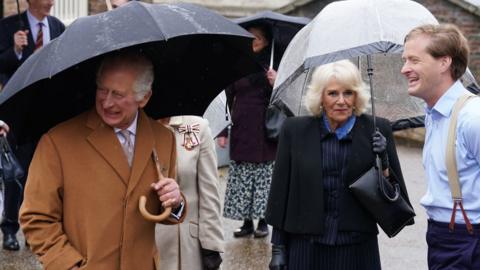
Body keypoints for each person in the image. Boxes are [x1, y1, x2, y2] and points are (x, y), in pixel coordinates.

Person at [19, 52, 186, 270]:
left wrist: (175, 202)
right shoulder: (57, 142)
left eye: (118, 94)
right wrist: (68, 265)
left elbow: (160, 210)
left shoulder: (164, 139)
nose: (107, 102)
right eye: (102, 90)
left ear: (144, 97)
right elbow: (36, 217)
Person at [266, 60, 413, 270]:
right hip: (305, 248)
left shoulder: (376, 130)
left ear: (357, 96)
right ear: (320, 97)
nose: (341, 101)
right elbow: (281, 193)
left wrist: (384, 162)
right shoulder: (295, 130)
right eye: (333, 93)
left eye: (348, 93)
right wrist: (278, 248)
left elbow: (395, 203)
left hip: (356, 249)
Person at [401, 24, 480, 269]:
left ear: (444, 62)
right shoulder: (433, 114)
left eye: (414, 60)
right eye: (405, 60)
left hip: (469, 241)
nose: (404, 69)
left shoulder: (472, 117)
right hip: (441, 236)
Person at [0, 0, 65, 251]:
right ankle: (9, 228)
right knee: (16, 173)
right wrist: (15, 50)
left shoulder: (58, 27)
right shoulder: (8, 27)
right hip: (18, 113)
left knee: (45, 174)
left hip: (48, 114)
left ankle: (35, 228)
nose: (51, 2)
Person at [217, 23, 277, 238]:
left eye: (257, 38)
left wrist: (275, 82)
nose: (253, 42)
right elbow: (227, 100)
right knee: (242, 177)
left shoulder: (272, 66)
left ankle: (263, 222)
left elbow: (282, 101)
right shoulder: (237, 65)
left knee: (262, 179)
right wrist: (223, 131)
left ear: (267, 41)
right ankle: (246, 222)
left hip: (264, 131)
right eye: (249, 37)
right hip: (241, 129)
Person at [156, 116, 224, 270]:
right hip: (146, 245)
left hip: (187, 248)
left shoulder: (198, 127)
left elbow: (210, 193)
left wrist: (211, 246)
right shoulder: (133, 128)